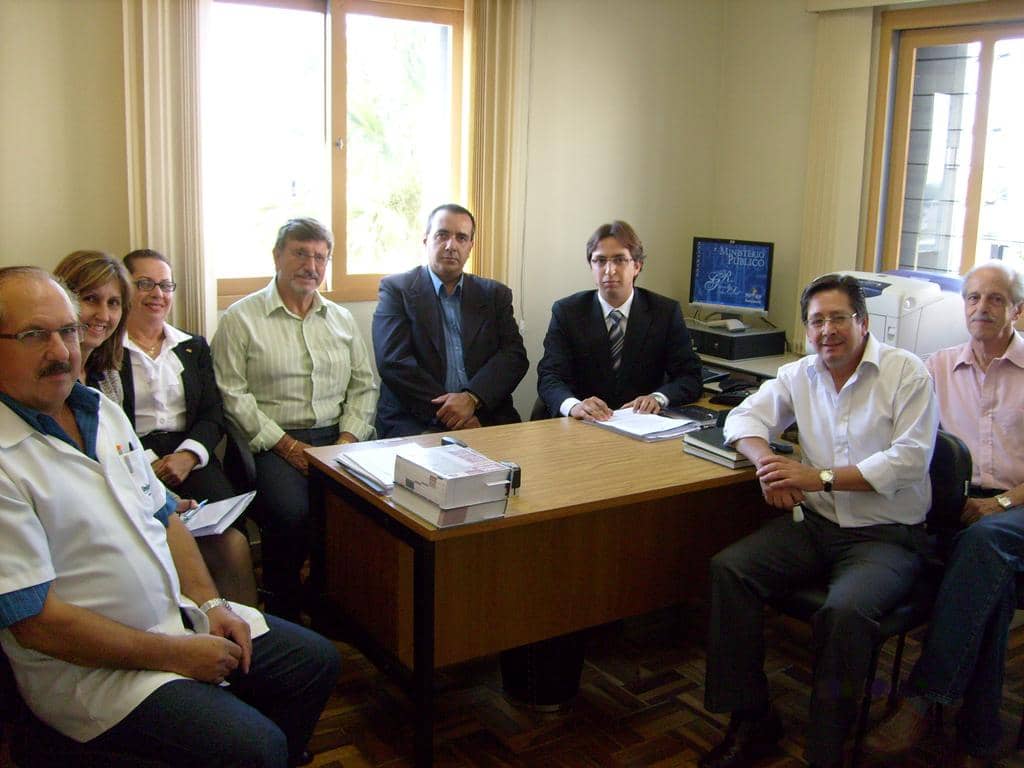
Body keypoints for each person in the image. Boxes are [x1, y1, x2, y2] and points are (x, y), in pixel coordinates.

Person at [0, 267, 340, 767]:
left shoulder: (99, 410)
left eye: (67, 330)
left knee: (316, 662)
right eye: (34, 335)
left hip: (177, 619)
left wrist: (212, 604)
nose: (61, 350)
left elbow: (164, 517)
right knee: (257, 746)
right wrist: (177, 655)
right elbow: (38, 625)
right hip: (96, 673)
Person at [701, 273, 939, 768]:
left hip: (888, 538)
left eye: (837, 318)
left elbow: (909, 462)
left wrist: (817, 476)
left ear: (863, 322)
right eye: (816, 321)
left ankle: (826, 749)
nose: (826, 330)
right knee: (730, 570)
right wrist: (769, 464)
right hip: (817, 527)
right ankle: (752, 719)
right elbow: (741, 419)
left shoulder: (907, 373)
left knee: (844, 612)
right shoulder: (799, 374)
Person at [865, 261, 1024, 767]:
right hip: (955, 505)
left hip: (1016, 504)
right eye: (973, 297)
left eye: (995, 299)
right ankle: (979, 734)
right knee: (990, 585)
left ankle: (921, 698)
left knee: (984, 545)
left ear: (1017, 309)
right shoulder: (935, 367)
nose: (981, 308)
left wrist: (1001, 503)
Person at [212, 218, 377, 619]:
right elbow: (231, 395)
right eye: (301, 253)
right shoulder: (241, 318)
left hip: (338, 438)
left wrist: (347, 441)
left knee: (369, 509)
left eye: (321, 257)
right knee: (293, 513)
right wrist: (287, 446)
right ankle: (284, 605)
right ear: (277, 257)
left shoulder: (341, 319)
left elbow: (365, 386)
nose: (311, 265)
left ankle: (332, 602)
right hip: (270, 442)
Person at [120, 248, 258, 607]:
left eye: (165, 285)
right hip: (133, 458)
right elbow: (110, 422)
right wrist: (148, 464)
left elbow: (213, 412)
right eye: (145, 284)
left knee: (230, 531)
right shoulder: (106, 352)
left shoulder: (192, 347)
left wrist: (188, 455)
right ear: (123, 289)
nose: (157, 294)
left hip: (191, 453)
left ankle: (246, 621)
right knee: (157, 533)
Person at [372, 203, 528, 437]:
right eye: (442, 235)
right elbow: (393, 362)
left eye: (461, 238)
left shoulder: (495, 294)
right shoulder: (397, 289)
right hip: (416, 419)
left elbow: (513, 356)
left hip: (484, 414)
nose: (450, 246)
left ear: (470, 246)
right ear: (426, 241)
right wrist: (453, 414)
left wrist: (472, 399)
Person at [536, 220, 702, 420]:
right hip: (581, 425)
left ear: (637, 266)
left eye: (619, 260)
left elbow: (690, 377)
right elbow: (549, 377)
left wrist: (657, 398)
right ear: (591, 266)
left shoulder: (665, 312)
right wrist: (574, 406)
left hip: (640, 424)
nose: (609, 270)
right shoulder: (567, 312)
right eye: (600, 261)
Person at [53, 250, 131, 402]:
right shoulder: (49, 374)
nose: (104, 316)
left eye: (113, 303)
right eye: (90, 299)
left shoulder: (108, 374)